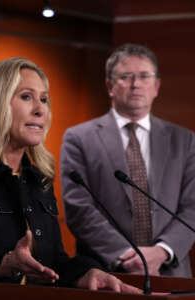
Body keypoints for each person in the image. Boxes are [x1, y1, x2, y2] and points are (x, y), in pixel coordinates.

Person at [0, 57, 140, 294]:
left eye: (44, 99)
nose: (40, 110)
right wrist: (6, 263)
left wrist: (88, 272)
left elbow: (54, 261)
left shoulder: (38, 178)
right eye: (26, 97)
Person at [60, 43, 195, 278]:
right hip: (106, 273)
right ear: (109, 86)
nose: (136, 85)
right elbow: (78, 207)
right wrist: (126, 255)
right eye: (126, 77)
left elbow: (193, 206)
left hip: (170, 272)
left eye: (144, 76)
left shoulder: (184, 140)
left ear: (157, 86)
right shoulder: (79, 138)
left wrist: (162, 251)